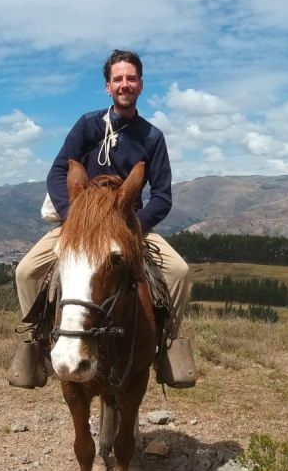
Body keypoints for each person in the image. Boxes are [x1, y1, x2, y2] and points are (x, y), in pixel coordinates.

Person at [12, 49, 194, 387]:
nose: (125, 84)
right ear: (107, 87)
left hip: (128, 225)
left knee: (180, 272)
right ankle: (36, 346)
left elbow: (162, 196)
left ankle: (167, 346)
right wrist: (74, 217)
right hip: (81, 225)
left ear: (140, 85)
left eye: (131, 78)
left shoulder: (152, 137)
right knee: (25, 272)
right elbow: (57, 172)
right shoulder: (87, 125)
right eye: (118, 79)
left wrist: (133, 226)